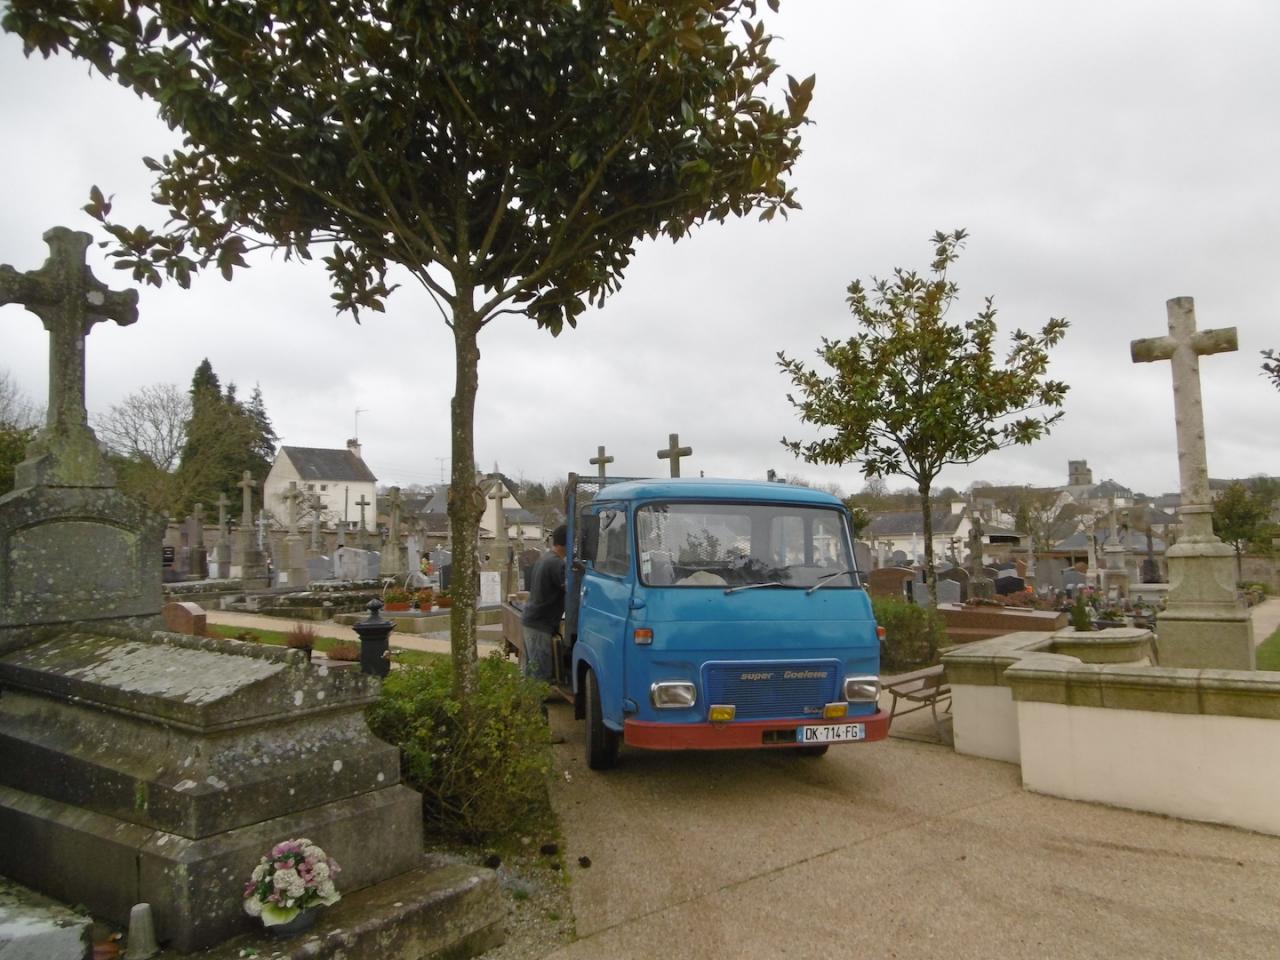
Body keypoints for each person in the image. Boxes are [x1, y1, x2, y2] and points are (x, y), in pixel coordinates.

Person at [520, 524, 567, 682]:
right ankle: (535, 705)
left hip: (532, 620)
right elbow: (571, 590)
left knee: (531, 671)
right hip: (540, 624)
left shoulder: (546, 558)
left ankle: (528, 704)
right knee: (540, 674)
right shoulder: (557, 564)